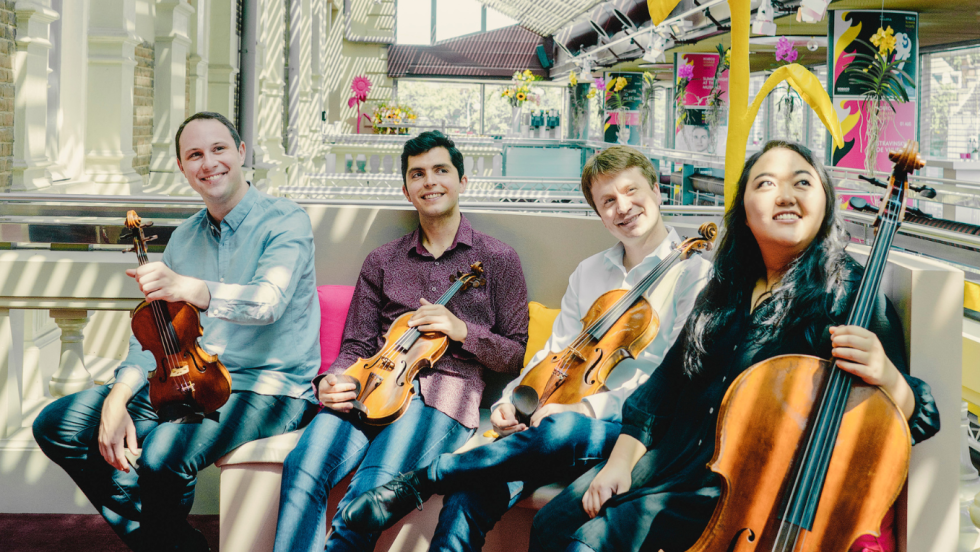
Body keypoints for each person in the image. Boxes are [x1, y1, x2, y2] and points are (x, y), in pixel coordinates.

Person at [528, 140, 941, 552]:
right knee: (551, 524)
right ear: (743, 211)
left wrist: (888, 377)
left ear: (825, 202)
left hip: (733, 493)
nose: (785, 196)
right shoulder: (726, 286)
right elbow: (665, 386)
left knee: (585, 543)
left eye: (802, 182)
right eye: (765, 184)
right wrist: (619, 463)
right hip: (668, 461)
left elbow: (915, 419)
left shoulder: (847, 294)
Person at [341, 145, 712, 551]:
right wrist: (514, 402)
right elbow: (552, 355)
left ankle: (428, 477)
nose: (622, 207)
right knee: (470, 495)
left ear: (657, 191)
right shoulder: (589, 272)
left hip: (634, 433)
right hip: (555, 423)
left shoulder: (695, 275)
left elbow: (669, 384)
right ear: (599, 214)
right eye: (608, 201)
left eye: (631, 192)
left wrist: (583, 409)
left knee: (560, 428)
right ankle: (447, 485)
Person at [32, 111, 321, 552]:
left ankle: (160, 535)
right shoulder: (185, 238)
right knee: (59, 424)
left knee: (164, 454)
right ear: (184, 169)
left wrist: (191, 287)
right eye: (195, 155)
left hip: (268, 388)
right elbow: (154, 336)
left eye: (219, 149)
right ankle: (171, 538)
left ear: (241, 153)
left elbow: (268, 302)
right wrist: (117, 398)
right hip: (188, 379)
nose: (209, 163)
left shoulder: (287, 221)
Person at [273, 130, 530, 552]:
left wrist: (461, 330)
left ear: (462, 181)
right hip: (371, 384)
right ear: (407, 190)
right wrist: (332, 380)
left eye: (440, 170)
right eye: (418, 174)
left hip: (442, 396)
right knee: (302, 466)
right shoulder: (383, 259)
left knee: (369, 494)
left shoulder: (499, 260)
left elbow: (516, 354)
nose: (430, 181)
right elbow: (355, 344)